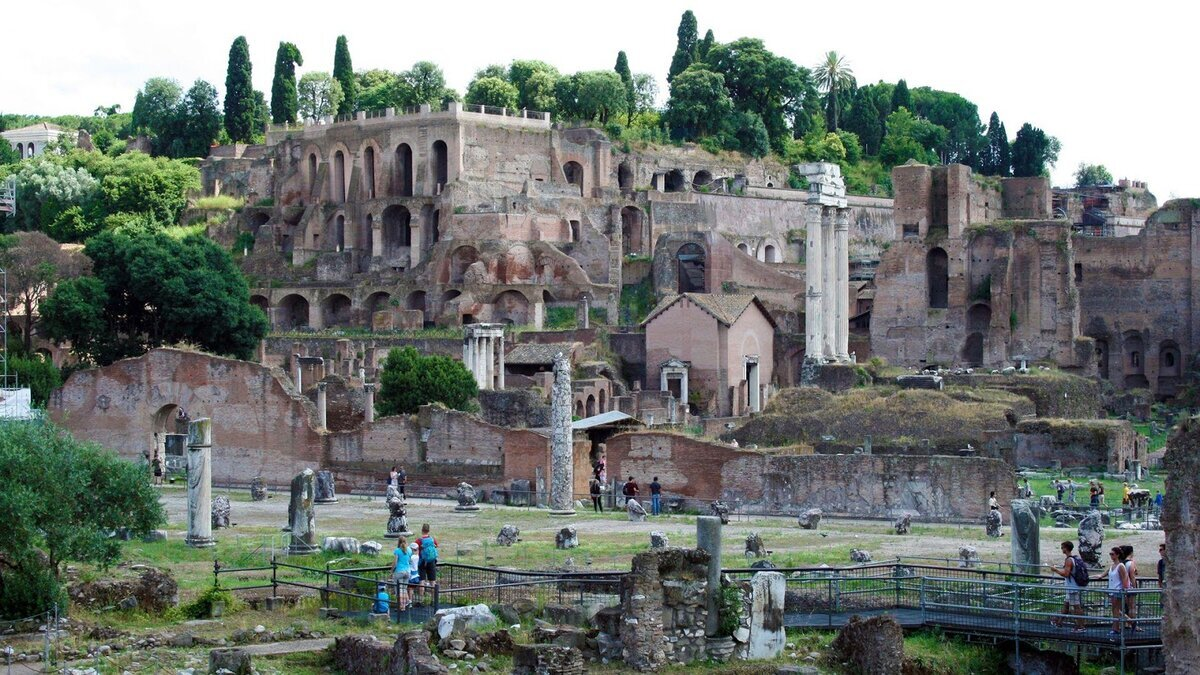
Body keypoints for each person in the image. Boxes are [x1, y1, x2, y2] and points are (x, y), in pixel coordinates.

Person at [1048, 541, 1086, 631]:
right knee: (1066, 605)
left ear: (1066, 548)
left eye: (1062, 547)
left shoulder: (1069, 560)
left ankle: (1081, 626)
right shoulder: (1072, 559)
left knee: (1077, 607)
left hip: (1072, 587)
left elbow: (1066, 574)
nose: (1061, 549)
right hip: (1071, 586)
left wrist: (1055, 570)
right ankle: (1059, 622)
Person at [1104, 546, 1132, 637]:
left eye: (1112, 554)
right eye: (1110, 554)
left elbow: (1124, 578)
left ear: (1117, 555)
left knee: (1116, 610)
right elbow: (1104, 575)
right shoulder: (1112, 566)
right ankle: (1131, 622)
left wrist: (1123, 590)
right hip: (1112, 590)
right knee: (1116, 610)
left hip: (1118, 590)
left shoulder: (1121, 566)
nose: (1111, 556)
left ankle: (1115, 628)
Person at [1121, 544, 1141, 631]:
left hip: (1122, 586)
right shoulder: (1130, 563)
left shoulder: (1121, 563)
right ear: (1131, 552)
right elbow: (1132, 576)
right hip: (1130, 587)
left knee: (1124, 606)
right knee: (1132, 607)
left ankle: (1127, 623)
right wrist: (1134, 587)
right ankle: (1133, 624)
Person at [417, 523, 439, 598]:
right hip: (432, 562)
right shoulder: (432, 540)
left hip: (422, 562)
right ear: (429, 530)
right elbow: (436, 546)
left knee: (422, 581)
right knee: (432, 582)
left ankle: (421, 600)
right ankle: (434, 600)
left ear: (422, 530)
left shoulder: (419, 540)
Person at [392, 536, 411, 610]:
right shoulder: (409, 550)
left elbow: (395, 562)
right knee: (404, 589)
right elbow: (409, 561)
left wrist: (391, 571)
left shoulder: (397, 550)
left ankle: (401, 606)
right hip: (407, 571)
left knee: (399, 590)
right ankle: (406, 603)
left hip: (399, 571)